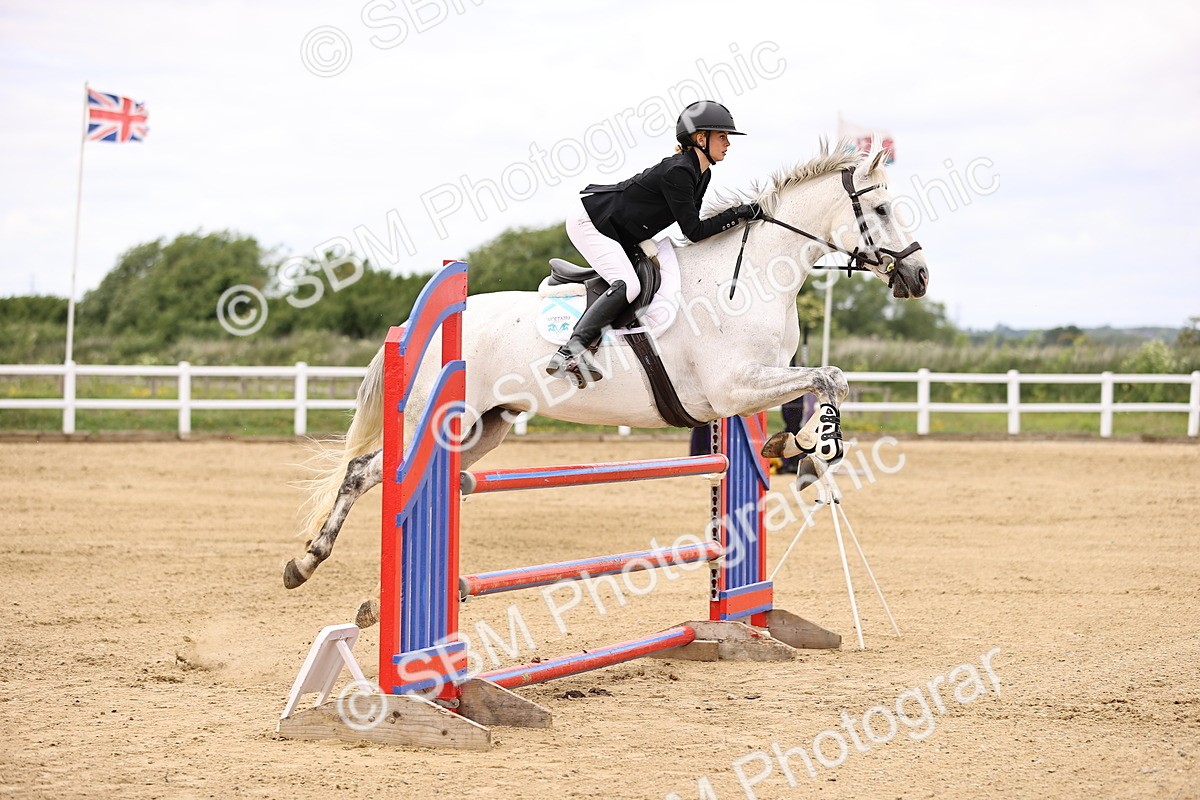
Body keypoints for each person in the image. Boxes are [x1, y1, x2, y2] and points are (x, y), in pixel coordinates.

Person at [546, 100, 763, 384]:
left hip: (620, 229)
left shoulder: (702, 173)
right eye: (722, 136)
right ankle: (568, 353)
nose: (727, 143)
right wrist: (739, 213)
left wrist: (738, 215)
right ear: (701, 138)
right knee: (628, 285)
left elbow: (692, 226)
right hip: (592, 221)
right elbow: (694, 231)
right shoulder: (679, 171)